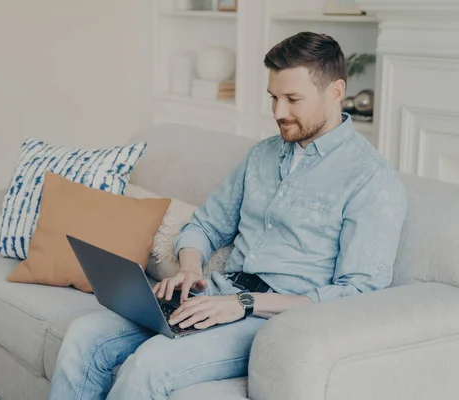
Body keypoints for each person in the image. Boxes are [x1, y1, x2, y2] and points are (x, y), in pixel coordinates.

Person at [48, 31, 407, 400]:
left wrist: (243, 304)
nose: (278, 112)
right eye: (274, 98)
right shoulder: (262, 155)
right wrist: (190, 268)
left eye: (293, 99)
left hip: (272, 321)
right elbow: (205, 225)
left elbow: (356, 294)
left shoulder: (371, 179)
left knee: (149, 366)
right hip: (217, 294)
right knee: (83, 337)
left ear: (335, 91)